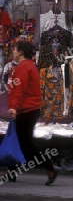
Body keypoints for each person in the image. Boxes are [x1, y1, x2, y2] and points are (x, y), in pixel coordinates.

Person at [4, 41, 60, 185]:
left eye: (15, 50)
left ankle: (50, 166)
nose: (13, 52)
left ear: (21, 52)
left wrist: (14, 107)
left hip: (25, 110)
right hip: (27, 109)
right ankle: (11, 172)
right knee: (18, 141)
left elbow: (19, 90)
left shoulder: (24, 67)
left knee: (26, 144)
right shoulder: (28, 66)